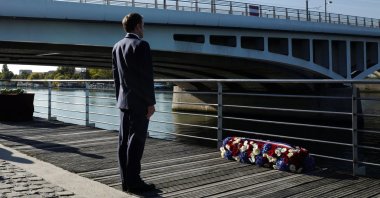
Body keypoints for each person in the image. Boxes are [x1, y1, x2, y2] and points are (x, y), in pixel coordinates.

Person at [112, 13, 156, 193]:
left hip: (124, 102)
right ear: (137, 26)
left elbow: (117, 78)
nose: (143, 29)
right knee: (136, 142)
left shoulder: (116, 46)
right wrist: (150, 103)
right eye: (143, 25)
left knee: (123, 142)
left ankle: (126, 181)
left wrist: (119, 99)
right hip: (139, 103)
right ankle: (135, 182)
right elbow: (146, 78)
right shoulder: (141, 45)